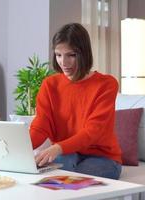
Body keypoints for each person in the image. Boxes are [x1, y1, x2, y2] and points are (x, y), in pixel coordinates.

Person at [30, 23, 122, 179]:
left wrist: (58, 147)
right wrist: (17, 150)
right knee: (50, 171)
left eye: (71, 55)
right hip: (66, 153)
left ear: (83, 53)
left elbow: (92, 132)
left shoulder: (107, 84)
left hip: (103, 158)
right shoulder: (50, 85)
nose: (63, 62)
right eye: (58, 55)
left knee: (66, 178)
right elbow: (41, 127)